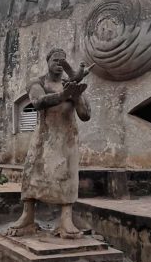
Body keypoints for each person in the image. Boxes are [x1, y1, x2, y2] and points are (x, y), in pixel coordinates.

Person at [8, 48, 91, 238]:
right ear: (48, 61)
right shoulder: (38, 83)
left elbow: (86, 115)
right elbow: (37, 102)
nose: (59, 62)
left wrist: (76, 94)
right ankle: (27, 216)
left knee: (67, 177)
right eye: (55, 59)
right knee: (32, 174)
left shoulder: (71, 84)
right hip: (44, 138)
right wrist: (63, 95)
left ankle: (66, 220)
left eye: (62, 59)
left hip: (67, 138)